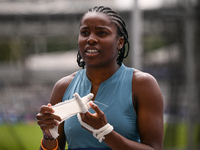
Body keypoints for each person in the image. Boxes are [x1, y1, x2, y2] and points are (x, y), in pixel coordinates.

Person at [36, 6, 164, 150]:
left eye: (102, 33)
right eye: (84, 33)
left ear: (120, 42)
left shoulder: (143, 84)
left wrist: (105, 132)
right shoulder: (63, 86)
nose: (90, 39)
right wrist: (48, 135)